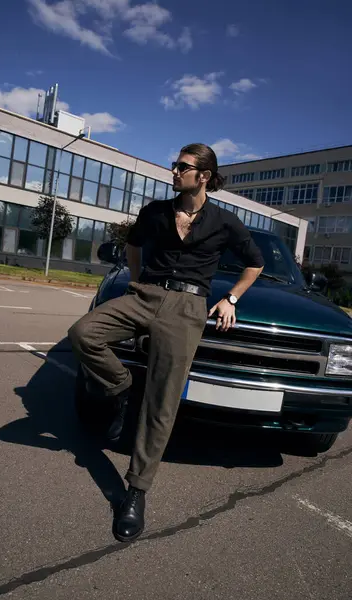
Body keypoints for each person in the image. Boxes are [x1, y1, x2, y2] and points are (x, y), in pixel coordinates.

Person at [68, 143, 264, 543]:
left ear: (203, 175)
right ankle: (120, 388)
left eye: (182, 167)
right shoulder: (154, 211)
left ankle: (136, 492)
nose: (174, 171)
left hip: (189, 306)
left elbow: (254, 262)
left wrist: (230, 299)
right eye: (174, 165)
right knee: (84, 333)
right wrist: (137, 284)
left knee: (162, 402)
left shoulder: (226, 222)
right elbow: (133, 247)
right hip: (146, 295)